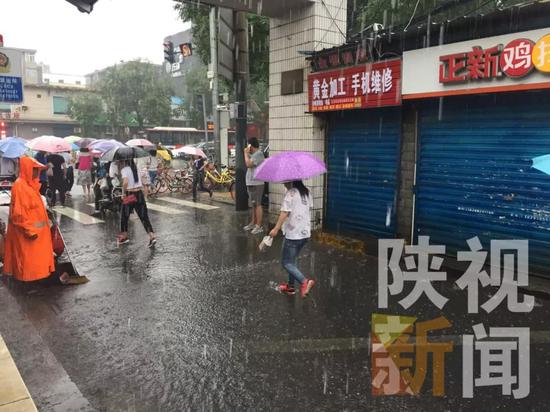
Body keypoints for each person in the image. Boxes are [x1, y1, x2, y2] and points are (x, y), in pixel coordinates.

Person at [3, 157, 55, 282]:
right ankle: (29, 281)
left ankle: (37, 278)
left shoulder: (30, 185)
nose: (37, 172)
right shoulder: (21, 186)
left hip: (38, 235)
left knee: (37, 262)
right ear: (27, 169)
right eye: (35, 169)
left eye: (38, 169)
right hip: (30, 234)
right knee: (29, 262)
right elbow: (19, 214)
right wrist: (29, 231)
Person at [269, 180, 315, 298]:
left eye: (285, 181)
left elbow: (284, 212)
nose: (283, 183)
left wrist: (276, 229)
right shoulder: (307, 192)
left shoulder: (290, 193)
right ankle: (290, 287)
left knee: (286, 262)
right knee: (292, 261)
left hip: (293, 235)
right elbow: (304, 209)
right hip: (304, 234)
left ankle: (304, 281)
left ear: (291, 181)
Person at [118, 158, 156, 247]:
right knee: (144, 217)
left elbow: (125, 182)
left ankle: (124, 237)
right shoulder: (137, 168)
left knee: (124, 216)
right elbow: (142, 181)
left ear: (125, 161)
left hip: (130, 195)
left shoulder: (125, 170)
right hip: (139, 194)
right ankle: (152, 236)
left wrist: (123, 193)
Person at [243, 137, 265, 235]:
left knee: (258, 204)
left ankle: (258, 225)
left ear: (250, 145)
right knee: (253, 204)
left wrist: (245, 153)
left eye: (248, 145)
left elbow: (248, 164)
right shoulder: (254, 155)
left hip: (257, 183)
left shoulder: (259, 154)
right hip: (251, 182)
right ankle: (253, 223)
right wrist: (247, 154)